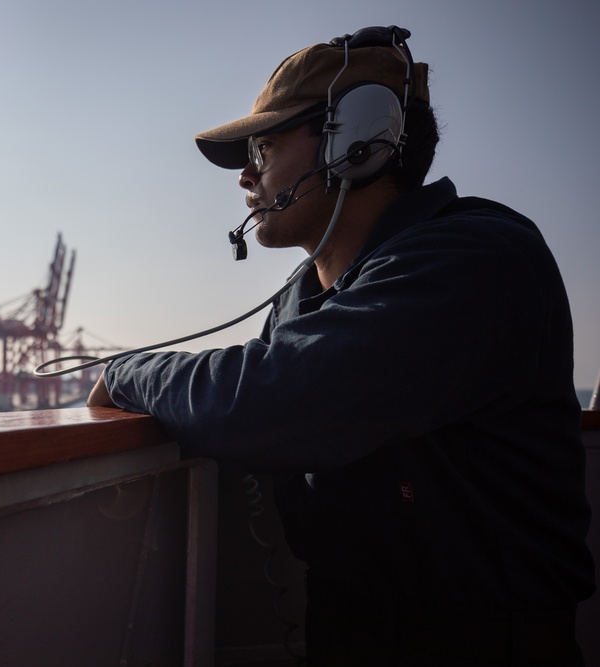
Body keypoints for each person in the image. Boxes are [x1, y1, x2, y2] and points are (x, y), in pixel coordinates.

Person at [87, 26, 595, 665]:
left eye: (264, 145)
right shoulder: (304, 294)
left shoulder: (475, 259)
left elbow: (269, 402)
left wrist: (125, 370)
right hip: (351, 623)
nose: (246, 173)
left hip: (483, 640)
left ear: (358, 140)